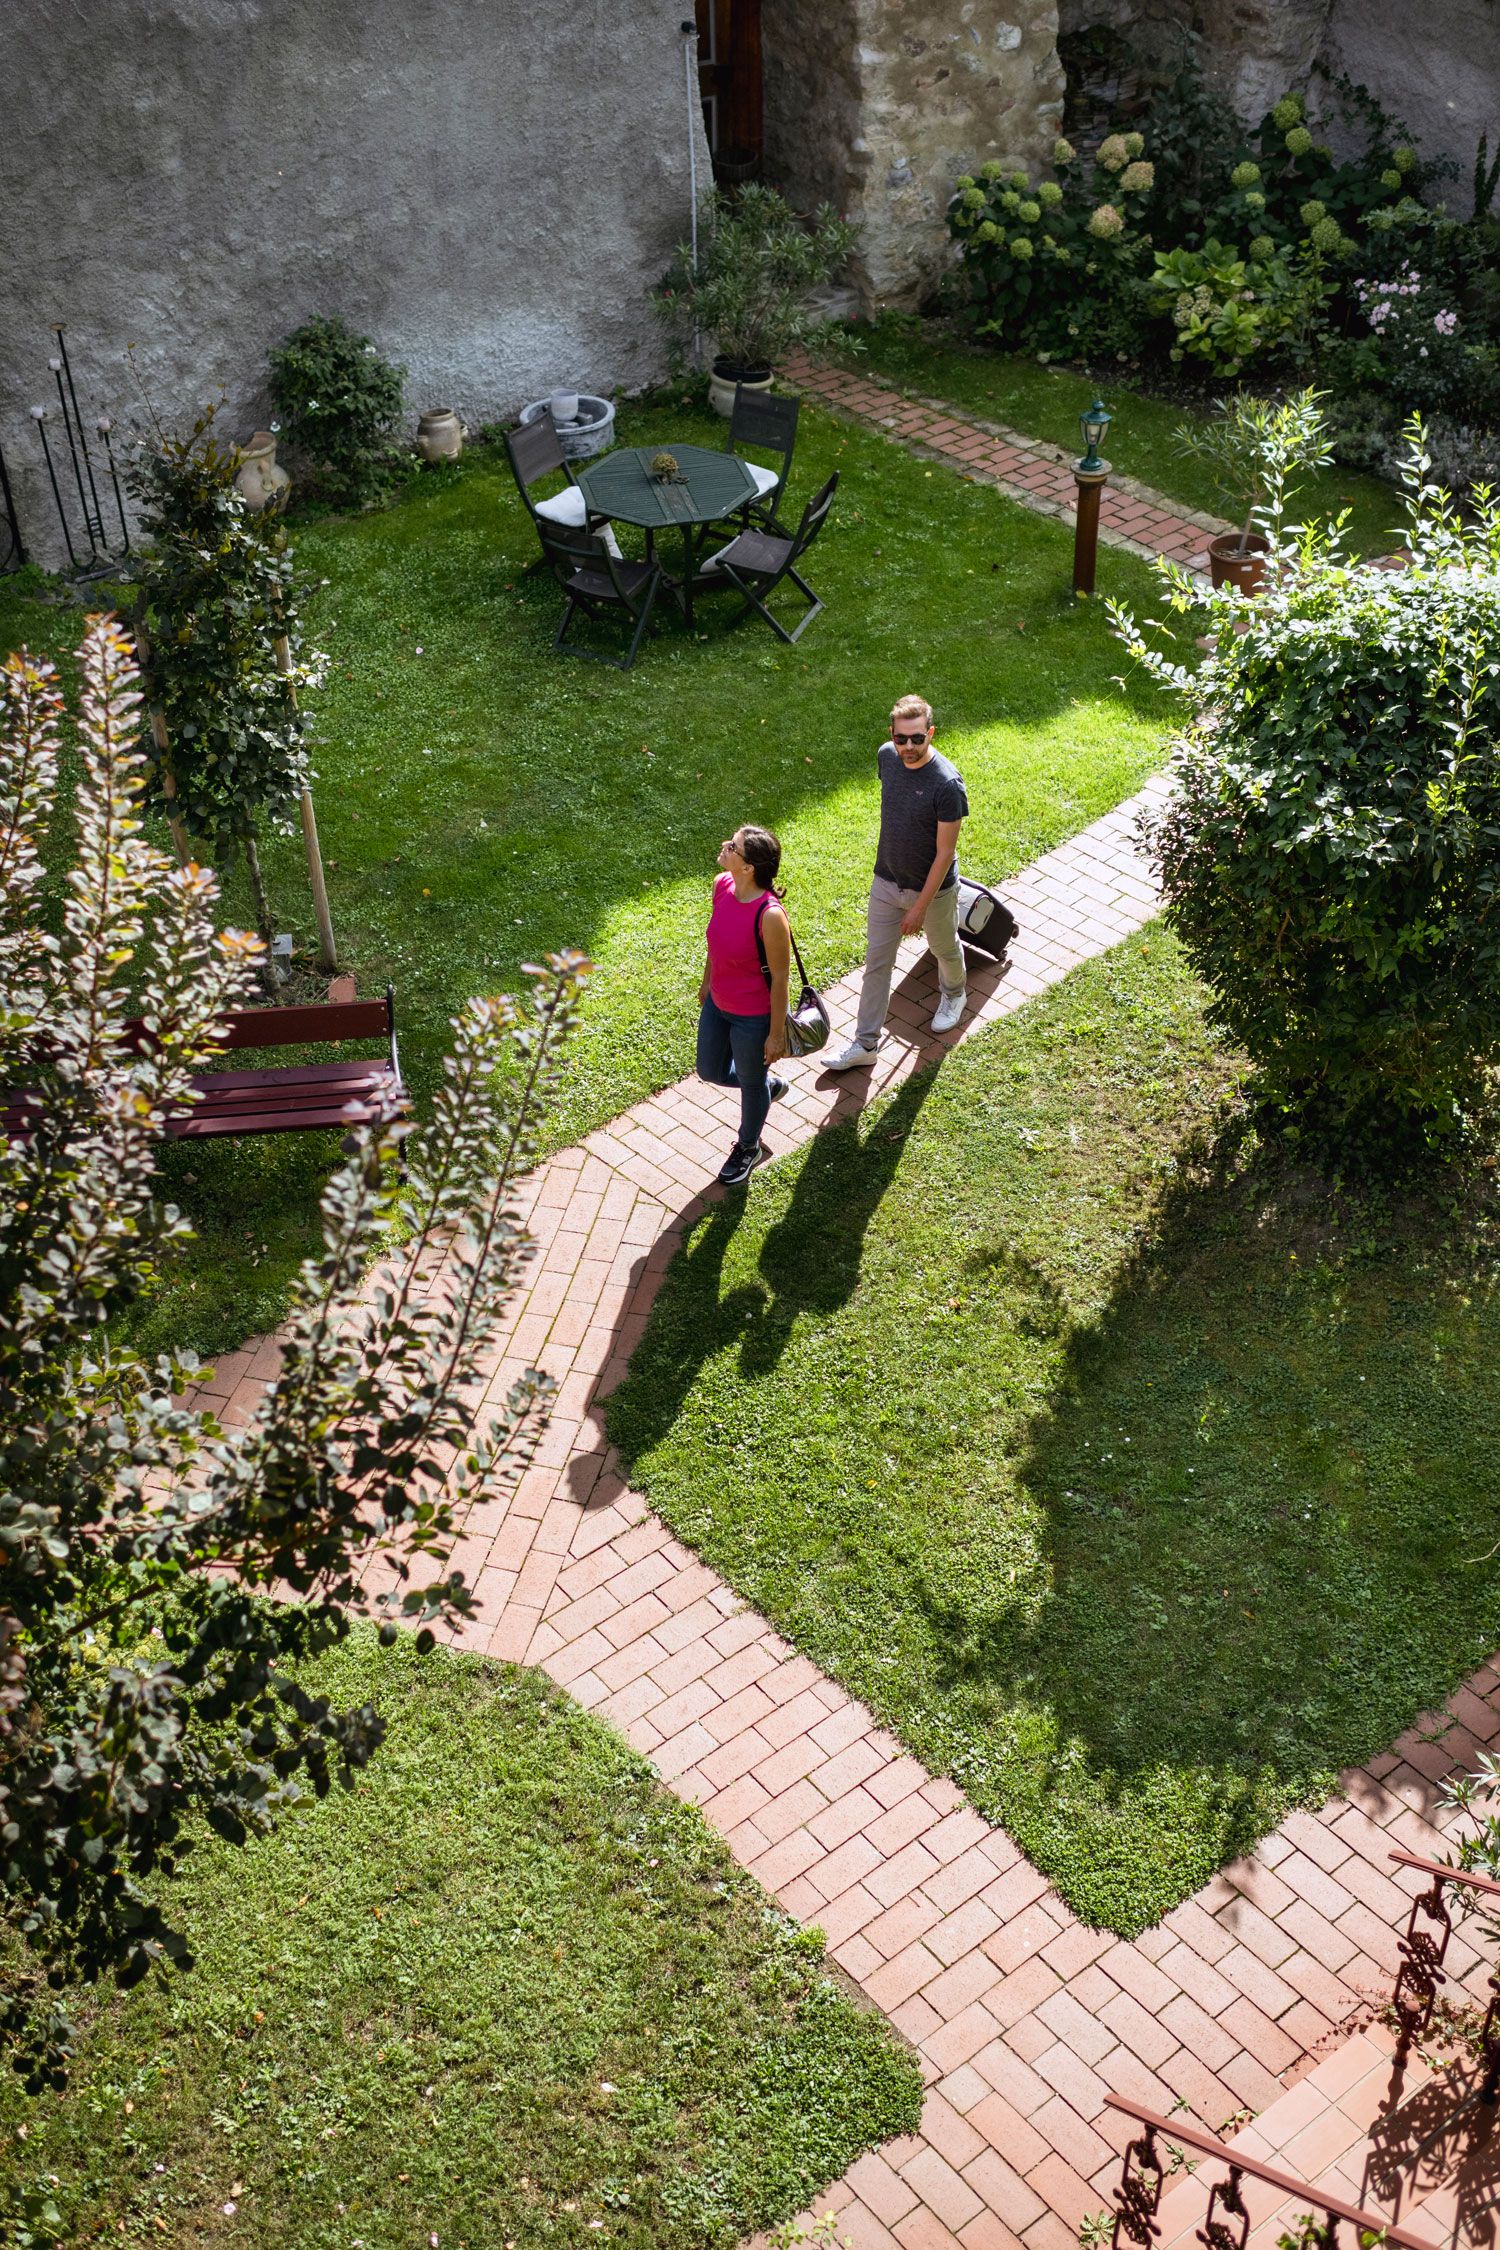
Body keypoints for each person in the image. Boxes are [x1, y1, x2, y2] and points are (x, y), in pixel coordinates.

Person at [825, 694, 970, 1070]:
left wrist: (920, 907)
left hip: (934, 892)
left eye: (917, 738)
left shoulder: (947, 784)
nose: (908, 747)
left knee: (944, 948)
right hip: (886, 881)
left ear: (930, 733)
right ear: (892, 734)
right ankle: (865, 1043)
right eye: (901, 738)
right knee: (877, 963)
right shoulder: (886, 757)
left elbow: (945, 853)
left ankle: (954, 993)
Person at [698, 823, 791, 1187]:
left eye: (733, 847)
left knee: (751, 1084)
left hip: (752, 1017)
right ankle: (765, 1087)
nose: (725, 847)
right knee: (710, 1070)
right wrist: (707, 982)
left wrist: (776, 1034)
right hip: (718, 1004)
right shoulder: (722, 886)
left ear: (749, 867)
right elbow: (715, 941)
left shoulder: (769, 916)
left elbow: (781, 979)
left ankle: (748, 1146)